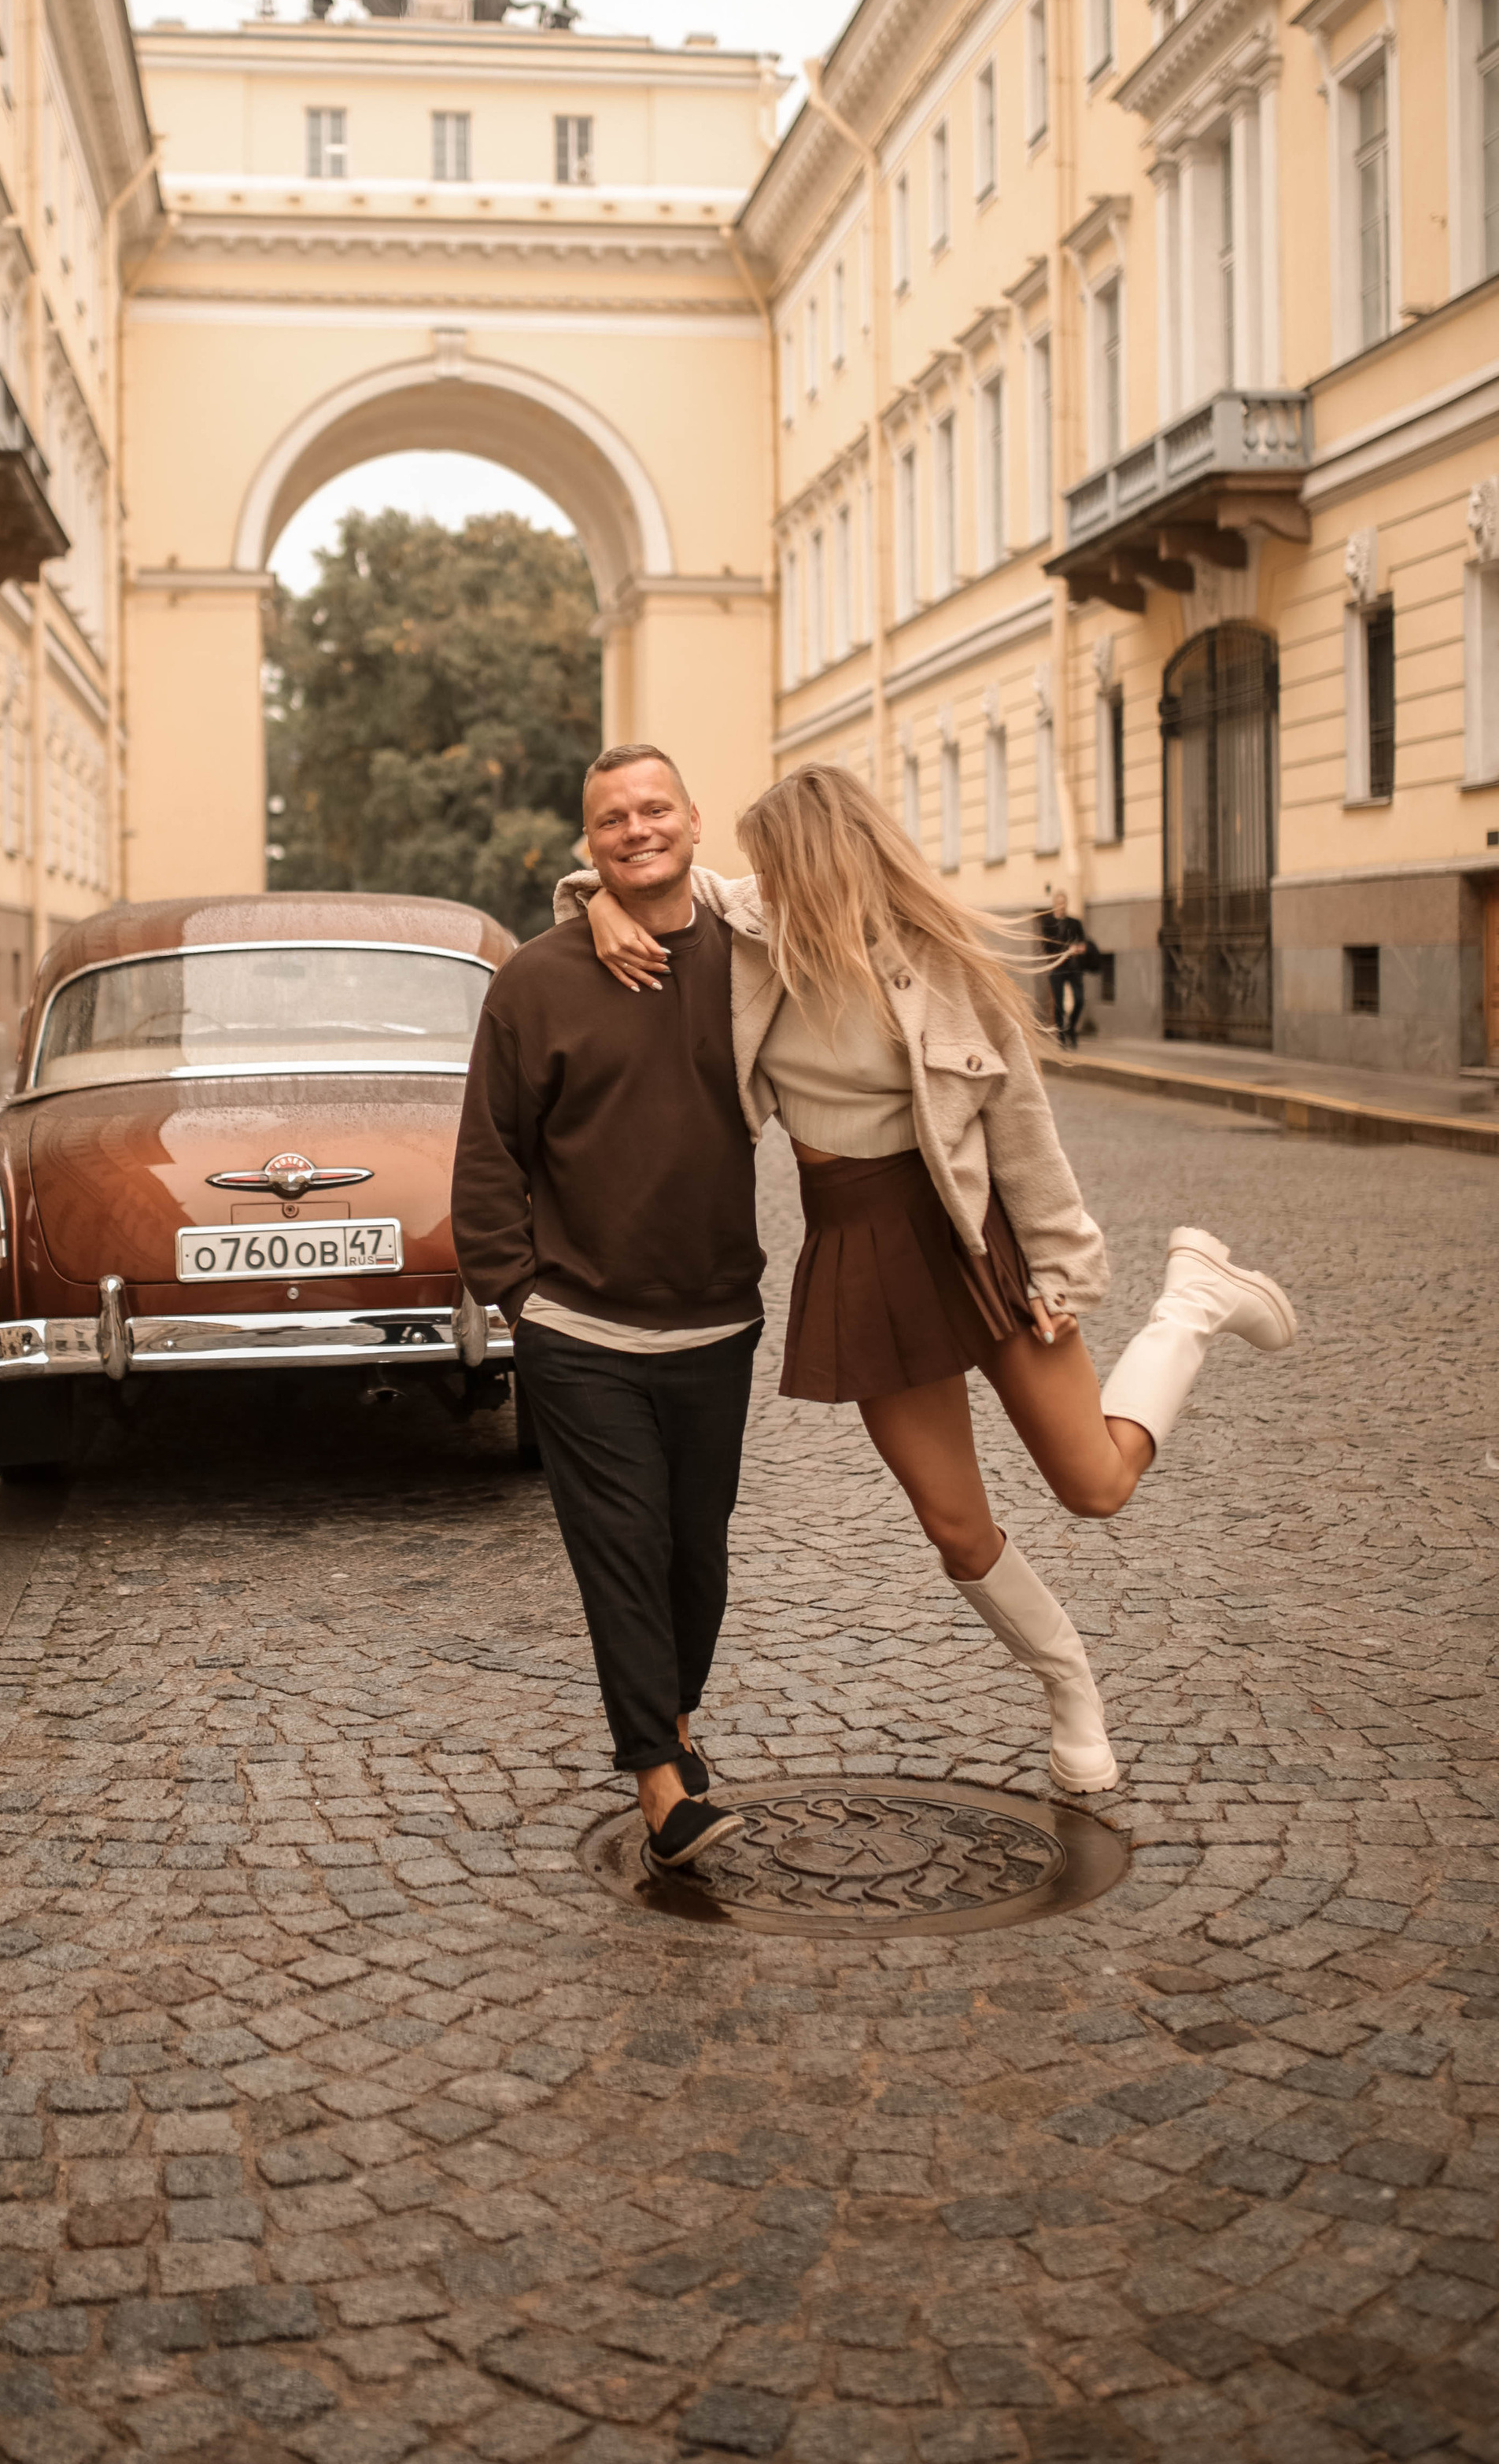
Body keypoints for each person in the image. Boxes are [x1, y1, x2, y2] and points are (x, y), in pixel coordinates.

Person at [563, 760, 1295, 1797]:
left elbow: (1020, 1125)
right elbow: (629, 881)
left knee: (1094, 1485)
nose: (762, 881)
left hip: (969, 1235)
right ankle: (1070, 1690)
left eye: (779, 863)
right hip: (859, 1255)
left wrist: (1062, 1268)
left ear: (824, 861)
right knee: (955, 1527)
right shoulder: (749, 931)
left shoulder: (940, 967)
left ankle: (1191, 1306)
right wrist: (598, 908)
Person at [451, 747, 763, 1874]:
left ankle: (671, 1723)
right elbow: (489, 1154)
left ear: (694, 818)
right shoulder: (536, 982)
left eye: (654, 809)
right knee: (623, 1550)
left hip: (717, 1320)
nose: (636, 830)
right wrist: (521, 1298)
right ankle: (660, 1788)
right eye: (611, 820)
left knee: (696, 1557)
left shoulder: (750, 959)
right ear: (587, 846)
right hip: (581, 1332)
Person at [1038, 891, 1095, 1050]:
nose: (1062, 906)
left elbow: (1083, 941)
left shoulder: (1074, 923)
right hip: (1057, 967)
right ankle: (1061, 1035)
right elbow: (1047, 946)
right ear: (1055, 904)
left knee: (1079, 1000)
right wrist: (1066, 949)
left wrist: (1080, 948)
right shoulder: (1048, 923)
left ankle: (1072, 1029)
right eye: (1059, 903)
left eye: (1064, 903)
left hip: (1074, 967)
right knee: (1059, 1004)